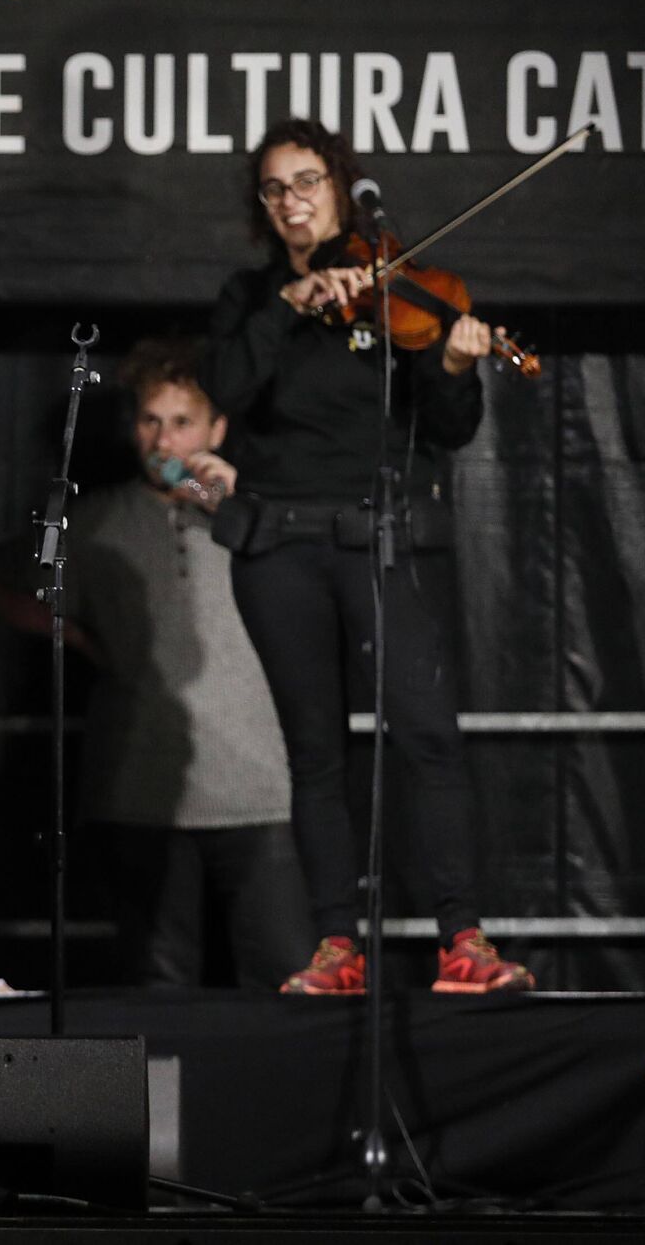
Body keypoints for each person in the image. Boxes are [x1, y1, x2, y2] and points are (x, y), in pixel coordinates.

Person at [200, 117, 532, 996]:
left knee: (425, 733)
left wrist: (458, 368)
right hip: (279, 546)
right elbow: (224, 391)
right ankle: (336, 946)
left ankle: (462, 936)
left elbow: (449, 432)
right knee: (315, 751)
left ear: (342, 186)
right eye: (275, 189)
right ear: (261, 207)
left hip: (378, 532)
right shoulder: (247, 298)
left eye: (308, 181)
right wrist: (288, 307)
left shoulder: (397, 290)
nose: (294, 201)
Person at [55, 339, 313, 989]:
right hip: (141, 788)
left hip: (262, 787)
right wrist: (83, 639)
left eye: (182, 422)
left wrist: (232, 505)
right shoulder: (93, 520)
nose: (164, 439)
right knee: (158, 992)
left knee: (287, 981)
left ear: (217, 429)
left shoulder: (264, 516)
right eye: (151, 420)